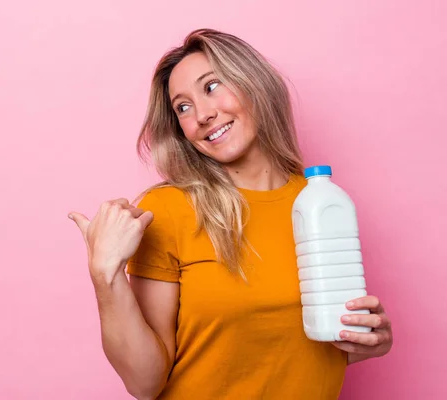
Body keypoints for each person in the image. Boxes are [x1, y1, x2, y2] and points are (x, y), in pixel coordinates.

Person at [68, 28, 393, 399]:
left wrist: (368, 339)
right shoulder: (169, 210)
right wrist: (104, 274)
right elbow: (144, 383)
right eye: (183, 107)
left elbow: (294, 346)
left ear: (254, 83)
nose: (203, 114)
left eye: (211, 86)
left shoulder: (318, 202)